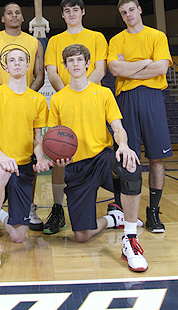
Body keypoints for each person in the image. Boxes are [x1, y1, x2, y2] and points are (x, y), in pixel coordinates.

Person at [48, 44, 148, 272]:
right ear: (64, 66)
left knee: (131, 166)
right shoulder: (57, 99)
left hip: (102, 158)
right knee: (82, 235)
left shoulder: (102, 93)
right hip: (76, 166)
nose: (75, 64)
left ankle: (130, 239)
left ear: (87, 63)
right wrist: (57, 158)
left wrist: (123, 145)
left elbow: (117, 127)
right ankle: (114, 219)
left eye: (79, 60)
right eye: (70, 60)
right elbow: (53, 138)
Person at [0, 2, 45, 233]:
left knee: (27, 160)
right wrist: (7, 93)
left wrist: (24, 95)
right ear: (2, 18)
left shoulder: (33, 42)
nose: (14, 15)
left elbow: (40, 73)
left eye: (18, 12)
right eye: (9, 13)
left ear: (23, 18)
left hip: (25, 99)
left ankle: (24, 209)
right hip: (1, 100)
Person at [0, 48, 51, 269]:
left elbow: (37, 139)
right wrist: (1, 157)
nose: (17, 63)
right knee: (0, 174)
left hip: (23, 166)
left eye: (21, 59)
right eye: (12, 60)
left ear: (28, 66)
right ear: (6, 67)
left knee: (18, 236)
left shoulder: (38, 100)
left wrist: (40, 158)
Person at [108, 0, 173, 233]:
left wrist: (130, 68)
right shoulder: (116, 40)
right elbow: (115, 69)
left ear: (140, 10)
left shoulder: (157, 36)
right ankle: (125, 211)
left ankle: (153, 212)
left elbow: (162, 67)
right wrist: (146, 62)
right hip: (126, 99)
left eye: (131, 10)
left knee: (156, 158)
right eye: (123, 12)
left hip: (153, 98)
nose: (128, 15)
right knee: (127, 157)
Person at [43, 0, 108, 234]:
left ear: (83, 12)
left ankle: (120, 205)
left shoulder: (97, 37)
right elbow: (52, 72)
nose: (71, 14)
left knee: (102, 151)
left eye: (75, 10)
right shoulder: (55, 41)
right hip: (65, 102)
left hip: (93, 104)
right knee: (58, 150)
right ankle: (58, 209)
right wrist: (70, 95)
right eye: (67, 10)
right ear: (62, 15)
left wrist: (82, 91)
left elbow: (100, 69)